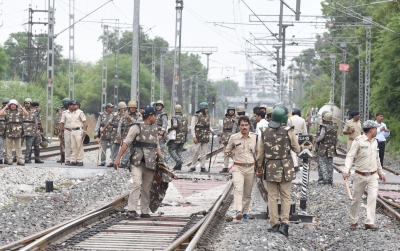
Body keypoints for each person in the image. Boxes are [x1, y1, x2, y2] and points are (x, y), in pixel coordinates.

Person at [256, 106, 300, 237]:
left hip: (270, 168)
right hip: (286, 167)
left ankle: (274, 224)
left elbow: (260, 155)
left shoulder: (264, 131)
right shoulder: (288, 131)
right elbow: (297, 149)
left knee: (273, 197)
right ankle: (285, 224)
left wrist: (259, 168)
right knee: (286, 196)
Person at [113, 107, 165, 218]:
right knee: (136, 183)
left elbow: (157, 146)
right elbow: (126, 143)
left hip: (150, 163)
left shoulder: (155, 128)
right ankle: (131, 209)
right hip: (137, 162)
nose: (156, 117)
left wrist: (162, 160)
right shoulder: (136, 127)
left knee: (147, 188)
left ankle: (145, 211)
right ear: (150, 116)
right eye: (155, 115)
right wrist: (118, 158)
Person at [343, 120, 386, 231]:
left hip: (373, 175)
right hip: (359, 175)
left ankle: (369, 222)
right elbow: (350, 156)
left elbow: (377, 158)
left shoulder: (375, 141)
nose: (377, 130)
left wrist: (381, 172)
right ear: (371, 130)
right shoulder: (358, 141)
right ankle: (354, 221)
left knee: (372, 198)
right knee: (356, 199)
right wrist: (346, 170)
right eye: (375, 128)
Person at [225, 116, 258, 222]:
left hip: (251, 168)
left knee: (247, 193)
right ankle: (238, 211)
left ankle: (244, 213)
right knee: (238, 189)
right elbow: (227, 149)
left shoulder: (255, 137)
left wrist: (259, 167)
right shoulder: (234, 137)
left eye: (246, 125)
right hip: (238, 167)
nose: (244, 127)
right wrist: (229, 153)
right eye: (242, 125)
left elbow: (258, 152)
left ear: (249, 126)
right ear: (239, 126)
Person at [188, 102, 216, 172]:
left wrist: (212, 131)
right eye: (206, 109)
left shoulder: (207, 116)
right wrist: (194, 137)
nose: (207, 110)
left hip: (205, 136)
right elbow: (192, 127)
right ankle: (193, 166)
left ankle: (202, 167)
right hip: (198, 137)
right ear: (202, 109)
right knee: (196, 152)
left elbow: (208, 126)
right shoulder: (196, 116)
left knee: (204, 153)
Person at [0, 99, 29, 165]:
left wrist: (21, 107)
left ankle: (19, 160)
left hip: (17, 131)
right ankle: (10, 160)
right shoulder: (7, 111)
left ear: (16, 106)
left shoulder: (20, 111)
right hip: (9, 131)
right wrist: (5, 107)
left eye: (14, 105)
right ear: (9, 105)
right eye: (11, 105)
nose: (13, 106)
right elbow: (0, 113)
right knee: (9, 147)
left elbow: (27, 114)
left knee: (18, 147)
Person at [118, 100, 143, 169]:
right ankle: (124, 164)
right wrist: (119, 135)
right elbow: (120, 125)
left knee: (134, 151)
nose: (132, 109)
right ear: (129, 108)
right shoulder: (124, 114)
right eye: (131, 107)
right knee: (125, 151)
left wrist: (130, 118)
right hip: (126, 135)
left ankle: (131, 165)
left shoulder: (139, 115)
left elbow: (139, 124)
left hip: (135, 136)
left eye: (134, 107)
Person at [315, 112, 338, 185]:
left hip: (323, 147)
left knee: (322, 163)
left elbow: (321, 136)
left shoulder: (324, 127)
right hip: (331, 148)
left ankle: (325, 179)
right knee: (330, 164)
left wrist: (316, 140)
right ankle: (330, 179)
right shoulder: (334, 127)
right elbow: (336, 138)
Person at [102, 102, 127, 167]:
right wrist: (103, 129)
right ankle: (113, 161)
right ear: (119, 109)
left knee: (124, 147)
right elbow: (109, 122)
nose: (124, 109)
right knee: (114, 148)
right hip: (115, 133)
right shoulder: (115, 115)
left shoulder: (127, 115)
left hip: (124, 132)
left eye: (125, 108)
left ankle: (124, 162)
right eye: (122, 108)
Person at [168, 104, 188, 171]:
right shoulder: (185, 118)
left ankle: (178, 161)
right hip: (183, 137)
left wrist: (169, 129)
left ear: (175, 110)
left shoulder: (174, 118)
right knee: (179, 151)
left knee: (171, 150)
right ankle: (179, 166)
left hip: (176, 137)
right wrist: (185, 137)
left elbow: (175, 125)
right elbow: (186, 129)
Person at [287, 107, 308, 173]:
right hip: (300, 136)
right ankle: (296, 165)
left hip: (293, 135)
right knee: (298, 149)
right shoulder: (302, 120)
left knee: (292, 151)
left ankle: (295, 166)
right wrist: (306, 138)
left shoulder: (290, 119)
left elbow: (288, 128)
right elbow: (305, 131)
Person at [59, 101, 77, 165]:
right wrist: (61, 132)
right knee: (67, 146)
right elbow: (62, 122)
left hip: (76, 131)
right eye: (72, 105)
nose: (73, 106)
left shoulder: (77, 112)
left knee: (75, 146)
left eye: (74, 105)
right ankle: (67, 160)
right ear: (68, 106)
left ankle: (74, 159)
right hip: (67, 130)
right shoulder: (65, 113)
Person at [21, 98, 38, 163]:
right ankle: (16, 157)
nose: (26, 104)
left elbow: (35, 121)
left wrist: (36, 130)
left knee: (29, 145)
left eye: (28, 103)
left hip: (31, 129)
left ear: (30, 104)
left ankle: (27, 158)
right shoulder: (20, 110)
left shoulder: (33, 111)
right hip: (22, 129)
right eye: (25, 103)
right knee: (19, 144)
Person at [219, 105, 236, 173]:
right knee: (225, 153)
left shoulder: (236, 119)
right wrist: (220, 138)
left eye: (232, 110)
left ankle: (237, 165)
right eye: (230, 110)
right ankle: (225, 167)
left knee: (234, 153)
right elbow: (222, 129)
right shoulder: (224, 119)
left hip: (233, 138)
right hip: (225, 138)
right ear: (228, 111)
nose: (231, 112)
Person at [54, 98, 70, 163]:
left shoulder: (71, 109)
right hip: (61, 129)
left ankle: (68, 158)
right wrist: (55, 129)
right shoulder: (60, 110)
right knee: (61, 144)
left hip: (68, 129)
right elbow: (57, 120)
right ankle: (62, 157)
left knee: (68, 144)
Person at [0, 98, 9, 164]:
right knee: (1, 145)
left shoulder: (12, 110)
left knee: (8, 146)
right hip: (0, 131)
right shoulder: (1, 109)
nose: (6, 105)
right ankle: (0, 159)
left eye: (7, 103)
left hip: (9, 131)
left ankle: (7, 159)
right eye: (5, 103)